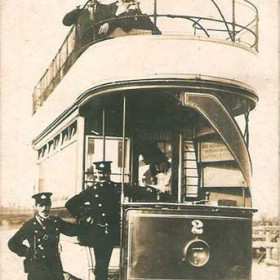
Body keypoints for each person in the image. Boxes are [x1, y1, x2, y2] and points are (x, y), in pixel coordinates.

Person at [65, 160, 157, 280]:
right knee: (101, 266)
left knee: (128, 262)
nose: (102, 175)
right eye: (99, 173)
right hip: (100, 232)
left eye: (105, 173)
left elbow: (137, 192)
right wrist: (84, 216)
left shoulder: (116, 188)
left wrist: (152, 190)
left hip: (116, 231)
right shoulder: (91, 191)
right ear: (96, 174)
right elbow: (70, 204)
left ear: (109, 173)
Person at [8, 192, 82, 280]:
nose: (44, 209)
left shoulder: (56, 222)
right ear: (36, 207)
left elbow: (73, 231)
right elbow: (12, 243)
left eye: (47, 205)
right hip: (37, 269)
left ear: (50, 205)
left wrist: (89, 224)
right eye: (41, 205)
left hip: (55, 267)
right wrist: (29, 252)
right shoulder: (30, 225)